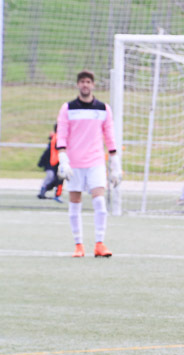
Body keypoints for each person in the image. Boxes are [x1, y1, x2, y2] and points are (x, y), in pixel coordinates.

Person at [56, 70, 121, 258]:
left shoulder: (103, 109)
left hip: (95, 161)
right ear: (78, 84)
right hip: (74, 163)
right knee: (75, 203)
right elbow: (62, 134)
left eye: (88, 82)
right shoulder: (68, 108)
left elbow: (109, 135)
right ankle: (79, 245)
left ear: (93, 85)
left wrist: (115, 163)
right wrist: (63, 159)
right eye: (82, 81)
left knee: (99, 201)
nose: (85, 85)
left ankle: (99, 243)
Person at [37, 123, 64, 203]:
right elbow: (50, 151)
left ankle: (56, 195)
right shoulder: (56, 138)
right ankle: (45, 190)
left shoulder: (57, 138)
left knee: (59, 179)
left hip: (59, 162)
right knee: (54, 178)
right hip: (55, 162)